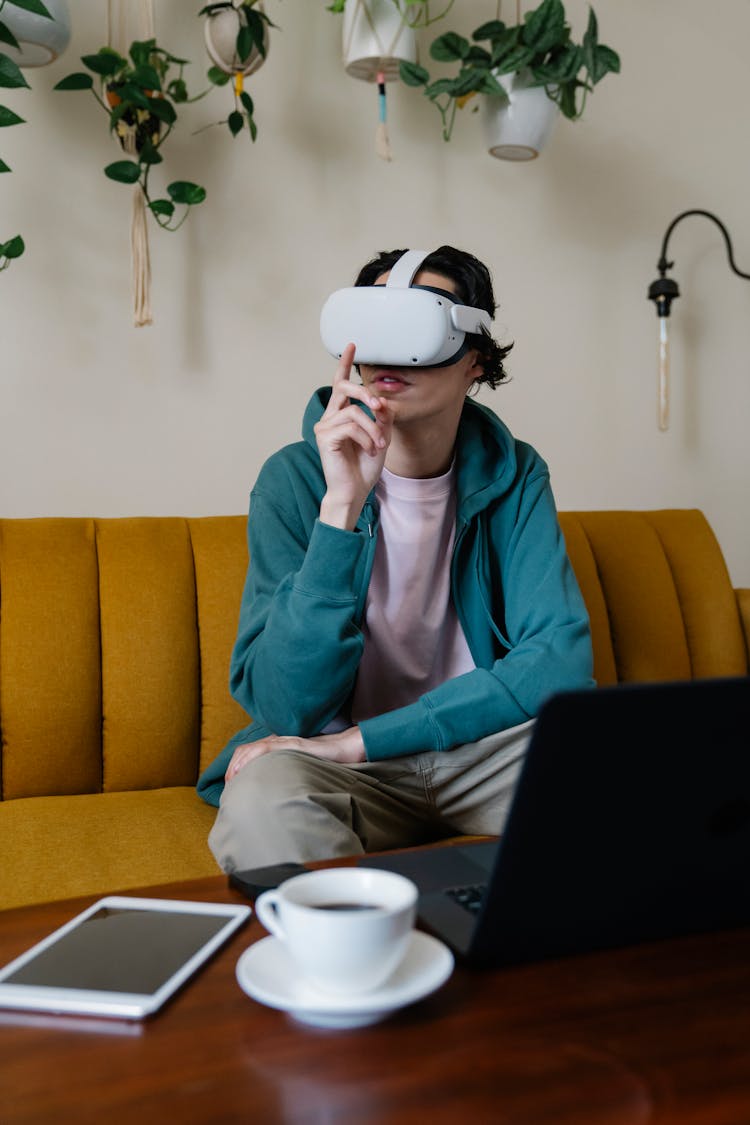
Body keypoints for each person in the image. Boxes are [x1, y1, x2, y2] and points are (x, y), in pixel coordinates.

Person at [198, 245, 594, 871]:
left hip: (480, 750)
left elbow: (558, 662)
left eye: (416, 327)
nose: (389, 353)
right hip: (338, 767)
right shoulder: (292, 481)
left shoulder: (516, 474)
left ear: (476, 360)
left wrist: (361, 742)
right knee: (263, 803)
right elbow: (283, 706)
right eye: (373, 326)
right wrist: (339, 513)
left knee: (629, 768)